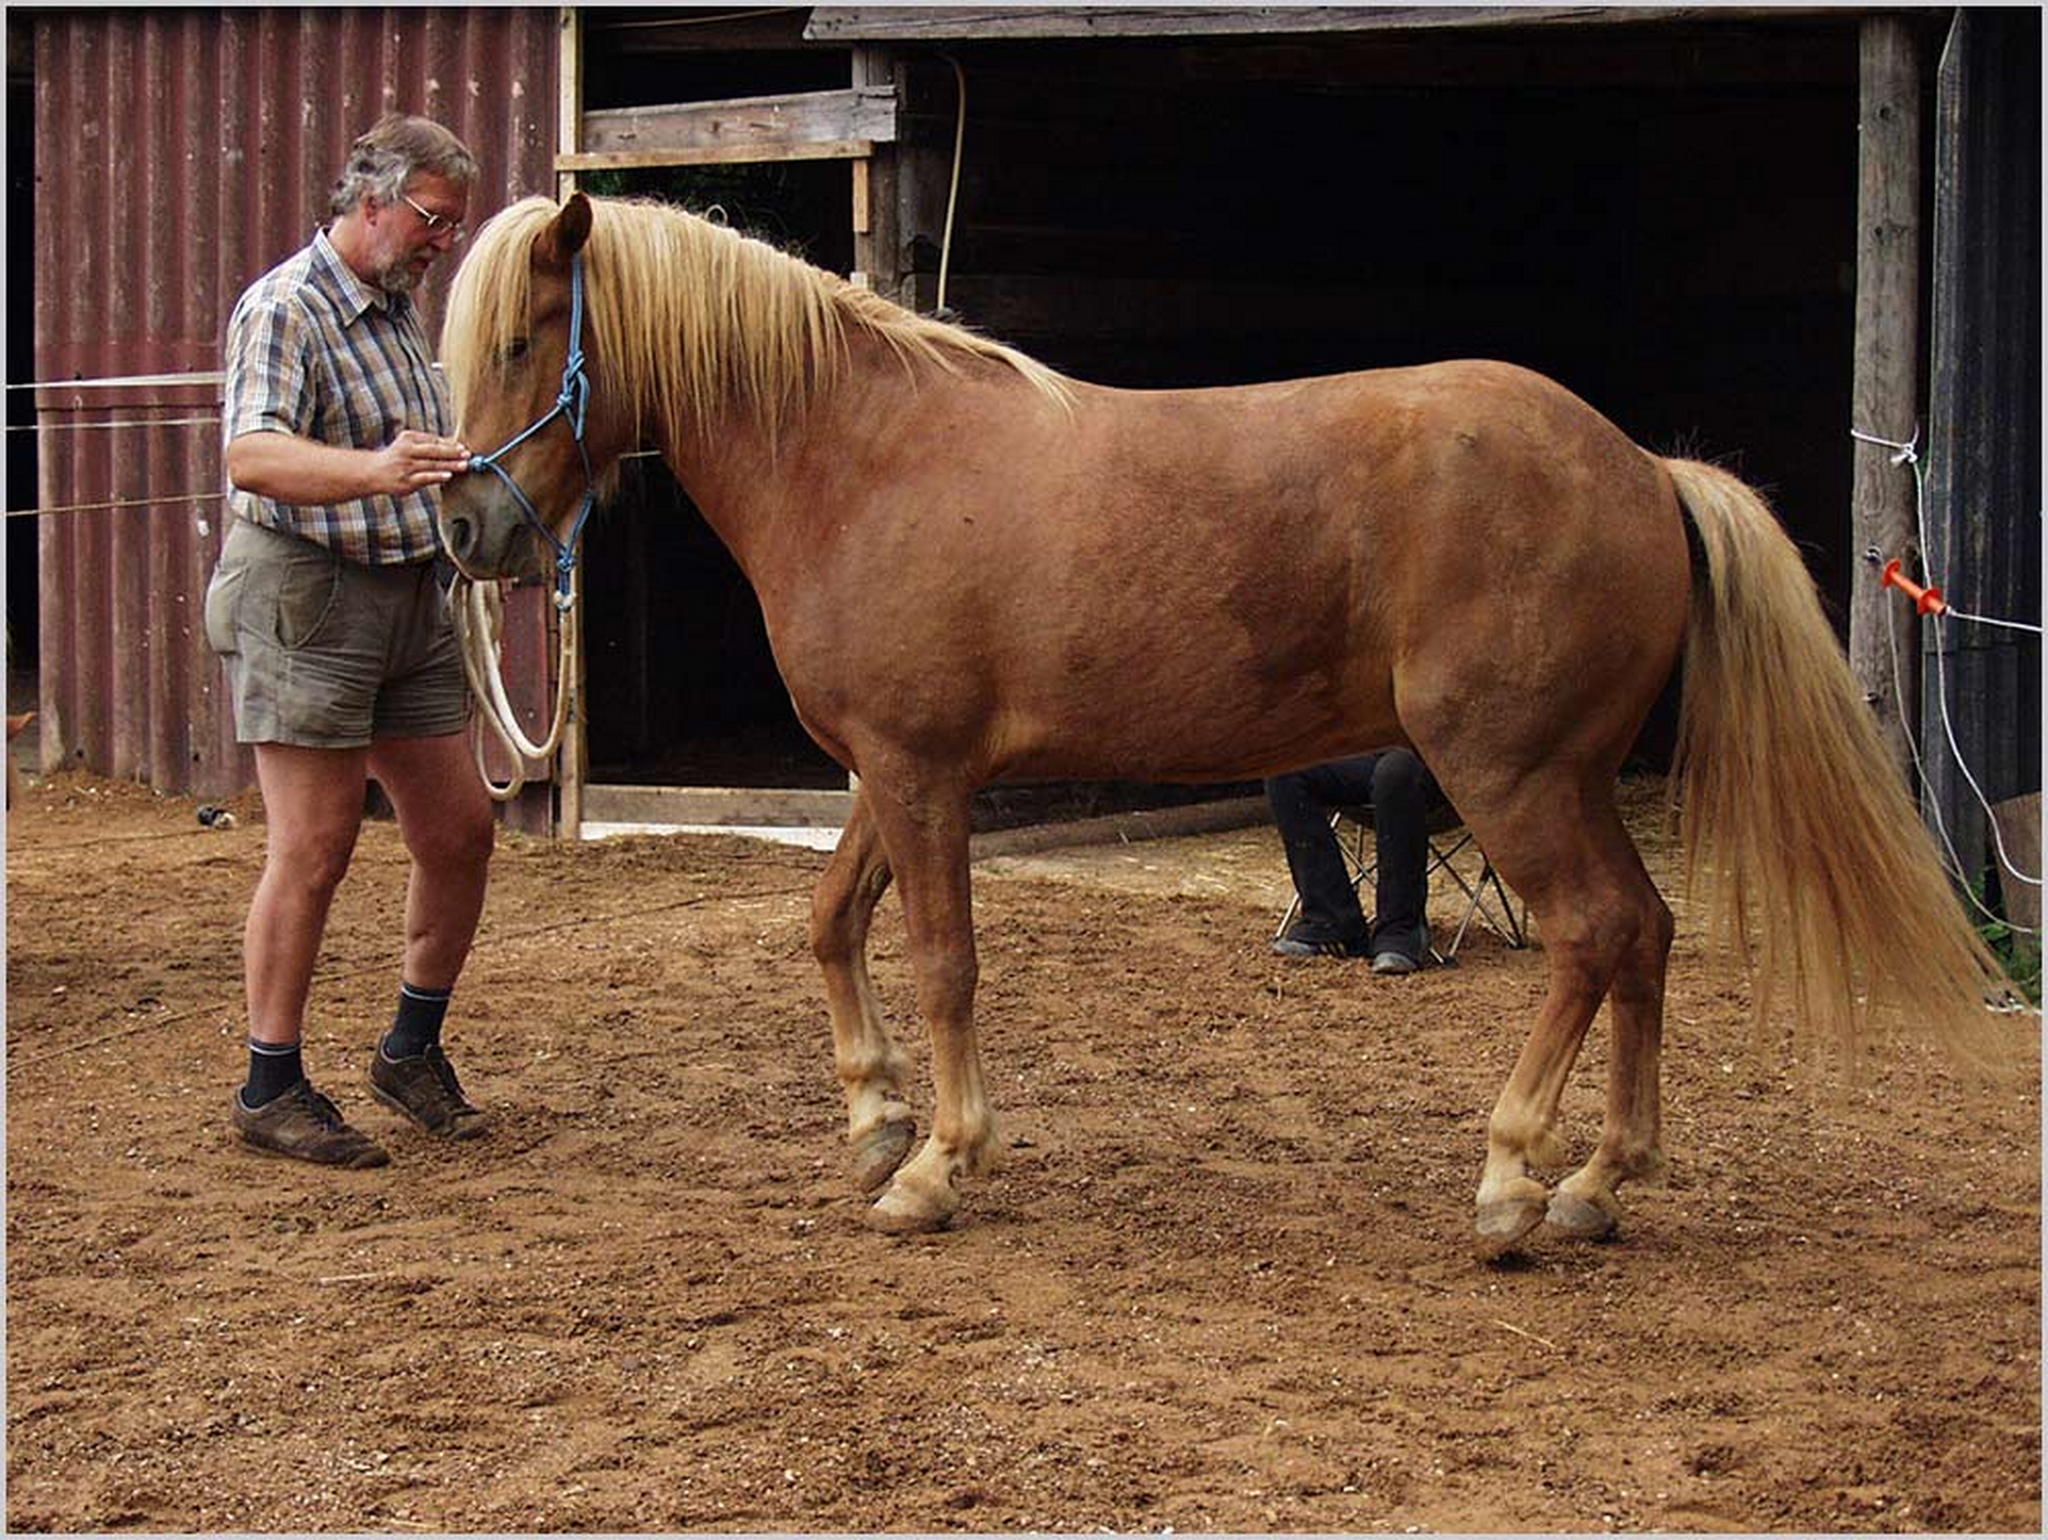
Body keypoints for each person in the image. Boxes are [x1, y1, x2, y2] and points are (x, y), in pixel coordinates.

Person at [205, 114, 494, 1167]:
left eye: (453, 226)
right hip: (308, 595)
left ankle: (410, 1048)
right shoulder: (287, 306)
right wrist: (377, 471)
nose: (443, 242)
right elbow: (252, 454)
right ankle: (269, 1084)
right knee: (316, 847)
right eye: (432, 219)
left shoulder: (398, 310)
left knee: (460, 831)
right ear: (370, 202)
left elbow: (416, 455)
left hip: (407, 593)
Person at [1266, 749, 1446, 974]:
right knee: (1285, 770)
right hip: (1373, 755)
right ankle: (1331, 923)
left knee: (1396, 770)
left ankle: (1401, 932)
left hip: (1443, 766)